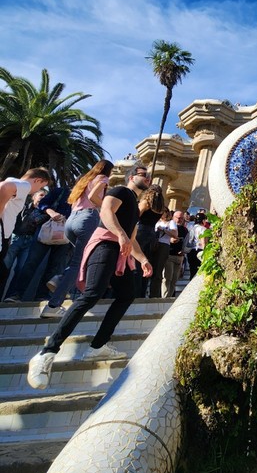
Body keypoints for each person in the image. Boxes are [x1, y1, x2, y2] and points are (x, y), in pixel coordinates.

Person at [26, 164, 153, 390]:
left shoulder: (135, 205)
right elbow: (106, 211)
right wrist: (121, 235)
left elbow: (132, 238)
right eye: (144, 175)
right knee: (91, 295)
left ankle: (98, 345)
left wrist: (143, 259)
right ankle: (46, 353)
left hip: (120, 251)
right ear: (132, 177)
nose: (149, 178)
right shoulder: (120, 191)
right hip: (105, 245)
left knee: (127, 294)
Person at [40, 159, 114, 318]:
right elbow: (94, 197)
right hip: (87, 218)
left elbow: (74, 202)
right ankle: (53, 305)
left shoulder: (83, 181)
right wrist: (106, 208)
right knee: (79, 263)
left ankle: (60, 280)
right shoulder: (103, 178)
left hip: (72, 221)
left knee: (80, 260)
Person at [3, 184, 71, 304]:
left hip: (65, 235)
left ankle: (42, 296)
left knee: (54, 267)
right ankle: (16, 295)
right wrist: (52, 213)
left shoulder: (86, 199)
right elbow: (43, 204)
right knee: (31, 263)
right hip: (46, 230)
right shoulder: (61, 192)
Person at [0, 169, 52, 297]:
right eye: (41, 186)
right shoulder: (24, 185)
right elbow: (5, 188)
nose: (37, 190)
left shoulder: (11, 180)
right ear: (37, 180)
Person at [136, 184, 165, 298]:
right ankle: (142, 292)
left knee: (137, 262)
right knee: (147, 262)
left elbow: (136, 215)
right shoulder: (160, 206)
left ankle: (135, 291)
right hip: (152, 234)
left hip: (141, 232)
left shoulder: (146, 203)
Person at [149, 209, 177, 298]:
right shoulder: (155, 221)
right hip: (153, 244)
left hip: (163, 246)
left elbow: (175, 234)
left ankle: (154, 294)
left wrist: (164, 230)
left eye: (164, 211)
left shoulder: (171, 223)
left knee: (158, 271)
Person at [162, 210, 188, 297]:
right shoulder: (169, 226)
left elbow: (186, 242)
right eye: (178, 218)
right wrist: (171, 240)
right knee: (167, 278)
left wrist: (184, 251)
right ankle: (164, 297)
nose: (179, 220)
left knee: (174, 280)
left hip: (179, 257)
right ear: (173, 217)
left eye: (181, 218)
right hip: (169, 255)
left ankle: (169, 297)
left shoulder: (185, 230)